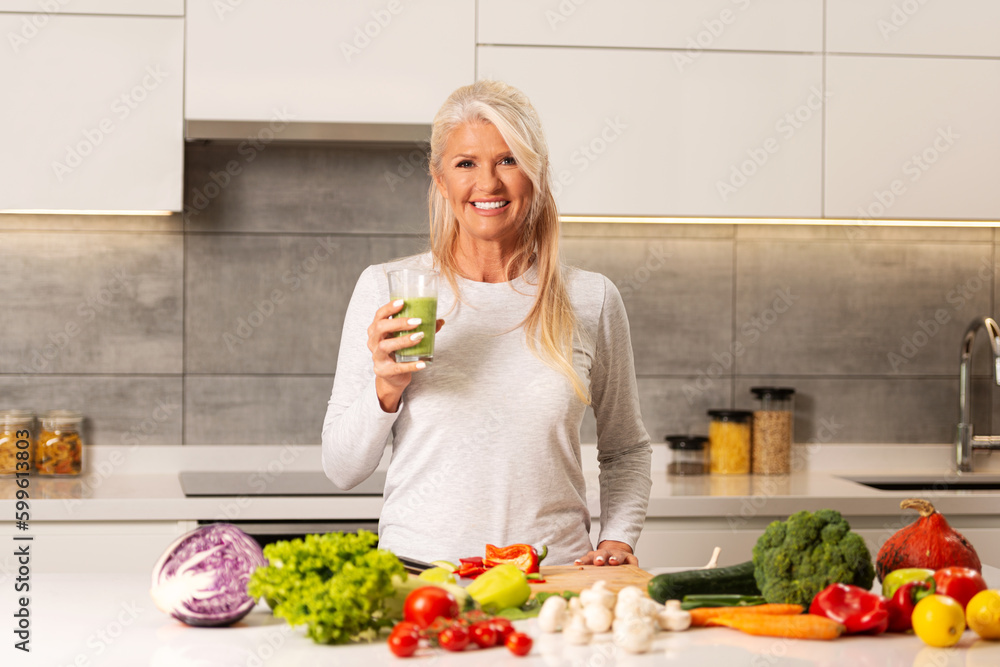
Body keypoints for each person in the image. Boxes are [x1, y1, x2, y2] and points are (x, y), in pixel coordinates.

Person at [322, 80, 651, 567]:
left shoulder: (592, 298)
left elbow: (626, 449)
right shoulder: (388, 289)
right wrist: (385, 387)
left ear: (535, 174)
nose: (489, 184)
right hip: (420, 579)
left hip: (552, 579)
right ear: (441, 180)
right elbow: (342, 469)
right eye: (466, 164)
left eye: (508, 160)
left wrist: (618, 539)